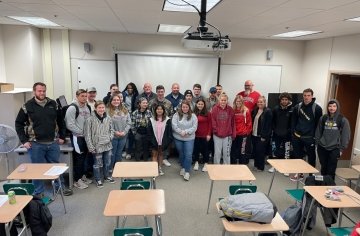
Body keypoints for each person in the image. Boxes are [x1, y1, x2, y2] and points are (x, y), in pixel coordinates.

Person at [15, 82, 72, 196]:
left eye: (44, 91)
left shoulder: (53, 104)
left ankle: (59, 187)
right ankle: (39, 192)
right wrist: (24, 141)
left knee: (55, 166)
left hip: (53, 142)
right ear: (34, 91)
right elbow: (18, 123)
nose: (42, 93)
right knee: (37, 169)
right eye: (39, 91)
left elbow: (61, 121)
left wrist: (62, 136)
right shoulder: (27, 106)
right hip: (36, 144)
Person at [291, 88, 322, 181]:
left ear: (312, 96)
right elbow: (293, 121)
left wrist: (315, 137)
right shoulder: (298, 107)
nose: (306, 97)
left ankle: (311, 175)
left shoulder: (317, 108)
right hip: (297, 136)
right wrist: (293, 133)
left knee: (311, 157)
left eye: (308, 95)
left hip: (310, 137)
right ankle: (299, 174)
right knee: (298, 156)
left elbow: (318, 125)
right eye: (304, 95)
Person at [315, 99, 350, 180]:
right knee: (323, 168)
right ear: (327, 107)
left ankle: (330, 187)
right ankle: (323, 186)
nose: (332, 108)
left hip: (335, 149)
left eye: (334, 106)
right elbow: (318, 132)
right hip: (322, 147)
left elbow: (345, 136)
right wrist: (317, 144)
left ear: (337, 107)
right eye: (330, 106)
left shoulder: (342, 120)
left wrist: (341, 149)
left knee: (331, 170)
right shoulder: (323, 118)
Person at [65, 89, 92, 190]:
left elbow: (89, 121)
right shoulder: (72, 108)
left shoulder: (87, 107)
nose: (84, 98)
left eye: (85, 96)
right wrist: (82, 132)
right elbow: (69, 124)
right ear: (77, 96)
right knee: (79, 159)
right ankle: (77, 180)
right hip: (77, 137)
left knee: (85, 157)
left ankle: (82, 176)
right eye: (82, 96)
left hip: (86, 137)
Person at [84, 101, 115, 188]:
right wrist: (90, 147)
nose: (101, 109)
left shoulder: (108, 118)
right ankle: (98, 179)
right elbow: (87, 135)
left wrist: (109, 138)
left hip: (107, 145)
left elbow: (112, 130)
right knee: (98, 164)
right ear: (95, 108)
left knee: (107, 162)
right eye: (99, 108)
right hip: (96, 146)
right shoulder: (89, 120)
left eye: (103, 107)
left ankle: (106, 176)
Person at [172, 101, 198, 181]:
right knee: (181, 153)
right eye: (183, 107)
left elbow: (194, 127)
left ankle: (187, 171)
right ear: (181, 107)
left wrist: (186, 132)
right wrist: (180, 132)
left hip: (189, 138)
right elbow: (174, 125)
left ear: (189, 108)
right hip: (178, 137)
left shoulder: (193, 116)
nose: (185, 108)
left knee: (188, 154)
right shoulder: (176, 115)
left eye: (186, 107)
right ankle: (183, 167)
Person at [269, 92, 293, 173]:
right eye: (282, 99)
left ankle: (286, 168)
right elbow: (272, 121)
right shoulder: (275, 109)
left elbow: (292, 123)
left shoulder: (292, 110)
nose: (284, 101)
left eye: (286, 99)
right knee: (275, 150)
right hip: (276, 134)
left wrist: (289, 131)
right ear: (280, 100)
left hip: (287, 135)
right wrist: (274, 130)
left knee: (287, 152)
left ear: (289, 100)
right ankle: (274, 166)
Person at [107, 93, 131, 172]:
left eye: (118, 100)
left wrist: (124, 132)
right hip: (113, 137)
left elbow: (129, 122)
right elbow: (106, 125)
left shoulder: (124, 109)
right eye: (114, 100)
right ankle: (110, 169)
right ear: (111, 101)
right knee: (112, 154)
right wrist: (115, 132)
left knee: (119, 153)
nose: (116, 101)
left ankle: (118, 169)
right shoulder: (107, 111)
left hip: (123, 136)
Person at [147, 104, 173, 176]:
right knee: (154, 154)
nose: (159, 110)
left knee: (161, 154)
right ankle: (154, 170)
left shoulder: (167, 120)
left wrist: (167, 142)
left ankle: (160, 167)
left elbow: (169, 132)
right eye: (158, 109)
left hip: (163, 141)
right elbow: (149, 132)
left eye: (161, 109)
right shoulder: (151, 120)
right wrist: (151, 141)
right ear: (155, 110)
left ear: (163, 111)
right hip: (154, 141)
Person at [211, 93, 236, 165]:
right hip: (217, 135)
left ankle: (226, 168)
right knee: (217, 152)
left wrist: (233, 134)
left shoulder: (230, 109)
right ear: (219, 100)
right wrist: (216, 131)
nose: (223, 102)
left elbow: (233, 122)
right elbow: (213, 121)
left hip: (227, 135)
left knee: (227, 153)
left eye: (225, 100)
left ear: (227, 101)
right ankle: (216, 167)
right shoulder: (215, 109)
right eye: (222, 100)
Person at [251, 96, 272, 171]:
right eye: (258, 102)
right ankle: (256, 165)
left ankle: (261, 167)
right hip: (254, 134)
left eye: (261, 102)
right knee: (256, 151)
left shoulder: (268, 111)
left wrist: (264, 136)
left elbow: (268, 126)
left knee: (260, 152)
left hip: (262, 136)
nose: (259, 103)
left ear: (265, 102)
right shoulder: (256, 110)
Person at [231, 95, 252, 164]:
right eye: (237, 101)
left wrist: (246, 132)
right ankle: (233, 164)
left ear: (242, 102)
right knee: (233, 150)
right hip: (234, 134)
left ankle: (242, 164)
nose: (238, 102)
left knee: (242, 150)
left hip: (243, 135)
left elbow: (249, 123)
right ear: (235, 102)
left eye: (240, 101)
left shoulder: (246, 111)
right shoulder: (233, 110)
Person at [193, 98, 212, 172]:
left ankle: (206, 163)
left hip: (205, 135)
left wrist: (209, 134)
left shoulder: (208, 113)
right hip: (195, 135)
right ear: (196, 105)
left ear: (204, 105)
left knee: (205, 150)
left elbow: (210, 124)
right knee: (196, 150)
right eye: (199, 104)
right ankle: (196, 162)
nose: (200, 105)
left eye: (202, 104)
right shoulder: (193, 113)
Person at [131, 97, 152, 161]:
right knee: (138, 147)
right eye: (143, 103)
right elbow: (132, 124)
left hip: (146, 132)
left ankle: (145, 159)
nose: (145, 104)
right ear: (139, 104)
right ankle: (138, 159)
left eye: (146, 103)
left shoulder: (149, 112)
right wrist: (135, 133)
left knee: (146, 147)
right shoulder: (135, 113)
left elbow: (151, 123)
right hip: (138, 132)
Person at [122, 82, 139, 160]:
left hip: (133, 117)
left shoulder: (136, 96)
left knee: (131, 135)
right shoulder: (123, 95)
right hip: (124, 117)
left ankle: (129, 152)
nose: (129, 89)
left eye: (131, 88)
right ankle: (126, 151)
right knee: (125, 135)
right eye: (128, 88)